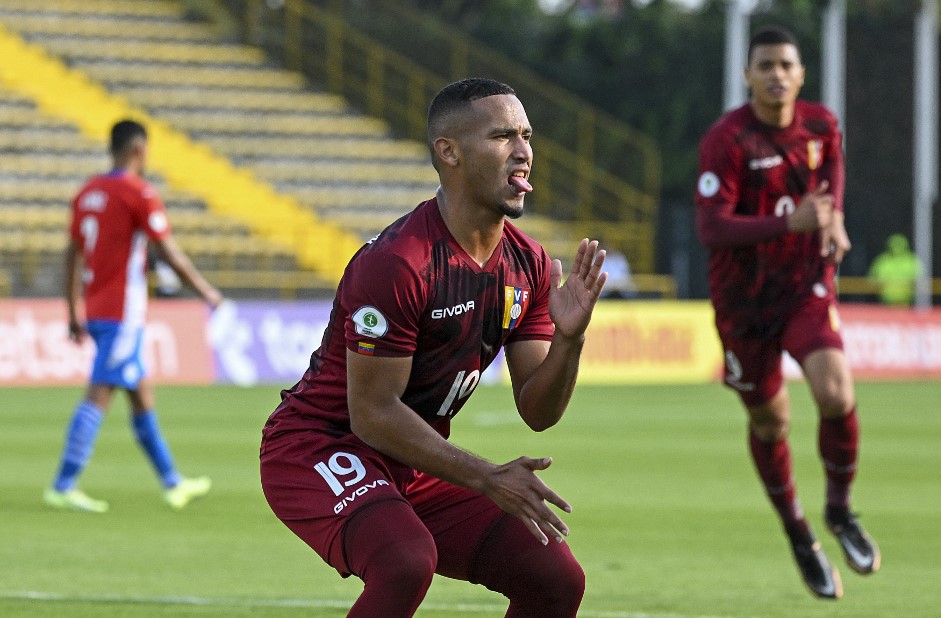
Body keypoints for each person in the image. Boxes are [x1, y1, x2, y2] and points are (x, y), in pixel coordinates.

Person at [260, 78, 607, 617]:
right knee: (404, 561)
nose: (523, 153)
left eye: (526, 136)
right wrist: (487, 477)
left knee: (554, 579)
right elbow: (372, 413)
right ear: (449, 152)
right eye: (502, 136)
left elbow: (538, 411)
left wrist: (570, 339)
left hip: (409, 460)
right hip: (319, 447)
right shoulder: (400, 263)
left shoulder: (529, 264)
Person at [693, 28, 880, 600]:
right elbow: (711, 228)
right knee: (771, 423)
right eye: (765, 65)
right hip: (743, 305)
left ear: (802, 75)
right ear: (747, 76)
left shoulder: (821, 125)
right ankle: (798, 532)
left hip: (804, 286)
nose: (777, 74)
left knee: (836, 393)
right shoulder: (726, 141)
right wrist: (789, 222)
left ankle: (840, 510)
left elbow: (831, 174)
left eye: (786, 65)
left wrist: (835, 217)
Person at [46, 119, 223, 513]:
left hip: (96, 308)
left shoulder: (88, 192)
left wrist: (72, 308)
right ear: (138, 149)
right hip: (123, 313)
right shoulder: (138, 193)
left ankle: (172, 482)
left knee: (141, 396)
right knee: (99, 393)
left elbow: (72, 252)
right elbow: (169, 252)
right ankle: (63, 483)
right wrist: (205, 290)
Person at [868, 233, 920, 306]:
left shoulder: (911, 261)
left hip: (905, 303)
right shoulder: (883, 260)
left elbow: (920, 282)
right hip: (886, 302)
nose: (897, 248)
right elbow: (872, 281)